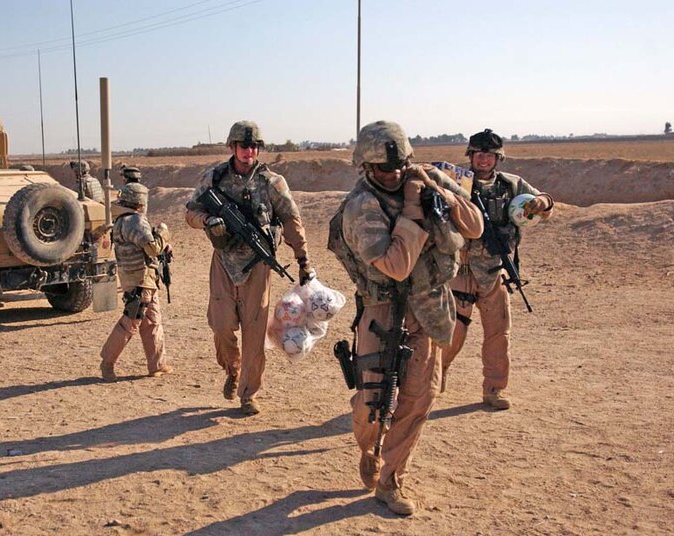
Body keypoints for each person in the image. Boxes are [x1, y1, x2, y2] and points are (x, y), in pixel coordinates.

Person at [340, 121, 483, 515]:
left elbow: (474, 226)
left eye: (401, 164)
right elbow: (397, 266)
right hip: (382, 309)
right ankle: (370, 447)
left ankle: (390, 481)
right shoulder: (360, 206)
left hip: (431, 305)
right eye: (385, 169)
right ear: (367, 169)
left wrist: (436, 192)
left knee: (420, 396)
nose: (395, 174)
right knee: (372, 405)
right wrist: (412, 207)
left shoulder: (427, 178)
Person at [185, 120, 314, 416]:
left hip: (257, 267)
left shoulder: (272, 182)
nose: (249, 151)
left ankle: (248, 392)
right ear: (233, 147)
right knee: (220, 327)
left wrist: (303, 260)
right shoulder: (214, 177)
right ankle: (232, 369)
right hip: (223, 264)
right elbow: (191, 212)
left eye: (254, 146)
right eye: (244, 146)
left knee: (255, 335)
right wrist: (209, 221)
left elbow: (292, 222)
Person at [440, 129, 555, 410]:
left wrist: (541, 203)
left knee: (499, 335)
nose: (483, 160)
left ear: (498, 158)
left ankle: (493, 389)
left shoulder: (512, 185)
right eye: (478, 154)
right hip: (462, 272)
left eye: (489, 155)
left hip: (495, 271)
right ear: (470, 156)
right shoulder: (457, 182)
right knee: (451, 334)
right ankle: (432, 379)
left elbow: (545, 205)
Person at [100, 182, 173, 380]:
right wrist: (163, 233)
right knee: (131, 322)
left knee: (152, 322)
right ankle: (107, 362)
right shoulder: (134, 221)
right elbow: (153, 248)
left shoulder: (122, 220)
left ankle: (157, 365)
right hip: (140, 280)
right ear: (140, 202)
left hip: (142, 279)